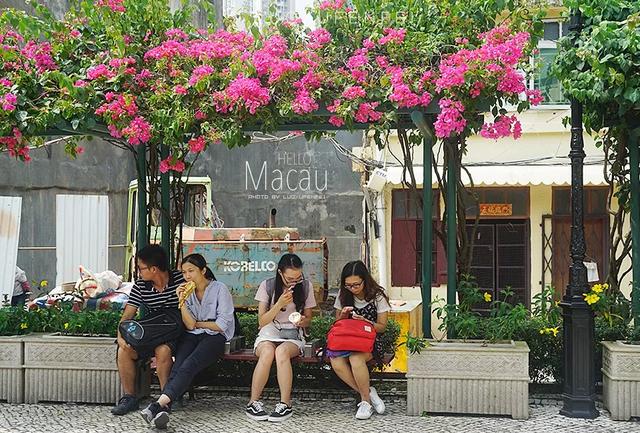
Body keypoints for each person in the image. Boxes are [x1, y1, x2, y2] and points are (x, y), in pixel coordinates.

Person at [140, 253, 235, 429]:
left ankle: (157, 405)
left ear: (203, 270)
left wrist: (199, 323)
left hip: (215, 337)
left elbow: (221, 325)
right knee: (179, 365)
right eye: (184, 272)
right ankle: (163, 408)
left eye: (191, 271)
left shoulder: (220, 289)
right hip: (193, 334)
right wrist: (181, 300)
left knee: (190, 363)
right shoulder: (186, 291)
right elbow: (189, 325)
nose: (187, 276)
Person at [111, 244, 185, 416]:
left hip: (173, 333)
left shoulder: (180, 280)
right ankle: (129, 398)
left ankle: (166, 398)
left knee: (163, 350)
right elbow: (127, 316)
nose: (139, 272)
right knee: (124, 350)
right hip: (151, 333)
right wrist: (121, 338)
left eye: (140, 268)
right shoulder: (140, 286)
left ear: (154, 269)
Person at [245, 253, 316, 422]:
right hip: (269, 330)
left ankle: (285, 404)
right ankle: (253, 402)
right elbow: (262, 321)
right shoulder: (267, 286)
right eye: (290, 278)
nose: (294, 282)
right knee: (268, 351)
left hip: (292, 332)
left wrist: (302, 321)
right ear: (280, 272)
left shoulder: (305, 287)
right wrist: (279, 304)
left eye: (298, 278)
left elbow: (309, 320)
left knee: (282, 352)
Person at [329, 260, 389, 420]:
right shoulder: (343, 295)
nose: (352, 289)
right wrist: (343, 316)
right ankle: (368, 393)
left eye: (356, 285)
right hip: (348, 340)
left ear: (365, 280)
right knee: (335, 360)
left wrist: (366, 322)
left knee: (355, 358)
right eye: (348, 285)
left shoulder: (377, 296)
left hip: (371, 341)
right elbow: (336, 325)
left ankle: (365, 402)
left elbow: (382, 327)